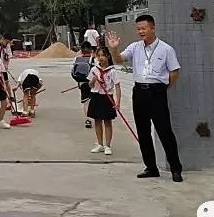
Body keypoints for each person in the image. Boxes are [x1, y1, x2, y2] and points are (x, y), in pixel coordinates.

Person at [107, 14, 183, 182]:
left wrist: (163, 87)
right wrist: (113, 48)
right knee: (143, 132)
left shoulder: (166, 49)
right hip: (139, 92)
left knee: (164, 131)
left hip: (157, 92)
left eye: (144, 28)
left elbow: (175, 72)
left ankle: (175, 168)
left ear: (153, 28)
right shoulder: (135, 47)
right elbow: (118, 59)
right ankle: (151, 167)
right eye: (138, 29)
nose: (141, 31)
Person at [87, 45, 120, 155]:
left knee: (107, 122)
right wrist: (94, 79)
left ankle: (108, 145)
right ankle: (100, 144)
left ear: (108, 56)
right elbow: (90, 85)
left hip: (107, 97)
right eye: (99, 56)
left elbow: (117, 87)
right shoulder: (94, 70)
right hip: (96, 96)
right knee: (97, 121)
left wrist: (118, 102)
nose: (101, 58)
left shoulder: (112, 71)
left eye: (103, 55)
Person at [72, 41, 95, 129]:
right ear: (91, 50)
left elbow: (74, 72)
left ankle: (88, 119)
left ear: (81, 50)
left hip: (82, 83)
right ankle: (96, 117)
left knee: (86, 102)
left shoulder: (76, 59)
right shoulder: (93, 59)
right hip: (93, 82)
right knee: (94, 100)